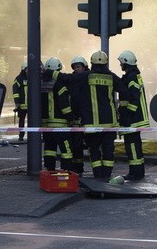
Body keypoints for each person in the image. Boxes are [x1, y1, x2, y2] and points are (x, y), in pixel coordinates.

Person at [51, 51, 123, 179]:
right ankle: (106, 176)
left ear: (91, 63)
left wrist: (50, 72)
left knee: (94, 150)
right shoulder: (112, 77)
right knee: (108, 151)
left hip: (91, 123)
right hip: (110, 124)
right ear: (106, 63)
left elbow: (67, 78)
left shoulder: (86, 76)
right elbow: (125, 91)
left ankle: (98, 176)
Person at [117, 50, 149, 181]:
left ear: (125, 62)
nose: (120, 66)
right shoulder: (133, 75)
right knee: (136, 145)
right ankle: (139, 172)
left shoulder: (131, 77)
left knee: (132, 146)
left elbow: (134, 98)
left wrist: (128, 115)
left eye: (121, 63)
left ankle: (135, 173)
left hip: (133, 119)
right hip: (136, 118)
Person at [40, 57, 74, 172]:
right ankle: (66, 170)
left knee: (49, 148)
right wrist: (72, 119)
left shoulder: (41, 84)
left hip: (45, 124)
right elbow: (64, 106)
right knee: (66, 149)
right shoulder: (59, 85)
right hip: (60, 124)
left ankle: (50, 169)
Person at [67, 56, 88, 174]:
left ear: (84, 67)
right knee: (76, 146)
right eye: (75, 67)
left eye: (78, 66)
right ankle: (78, 168)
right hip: (75, 118)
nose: (76, 69)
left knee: (92, 145)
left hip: (87, 118)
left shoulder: (89, 78)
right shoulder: (72, 81)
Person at [12, 61, 29, 142]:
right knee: (21, 121)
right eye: (27, 69)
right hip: (22, 105)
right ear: (23, 69)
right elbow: (15, 92)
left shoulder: (33, 78)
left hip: (32, 105)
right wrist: (17, 103)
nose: (28, 71)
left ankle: (33, 135)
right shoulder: (19, 79)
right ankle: (21, 136)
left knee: (33, 121)